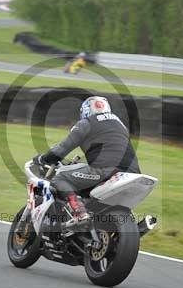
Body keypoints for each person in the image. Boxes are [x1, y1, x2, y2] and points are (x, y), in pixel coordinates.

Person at [33, 96, 140, 224]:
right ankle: (132, 224)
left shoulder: (86, 123)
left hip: (105, 170)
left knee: (61, 177)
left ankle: (79, 212)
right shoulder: (120, 124)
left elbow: (61, 150)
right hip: (133, 172)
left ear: (85, 111)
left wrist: (42, 158)